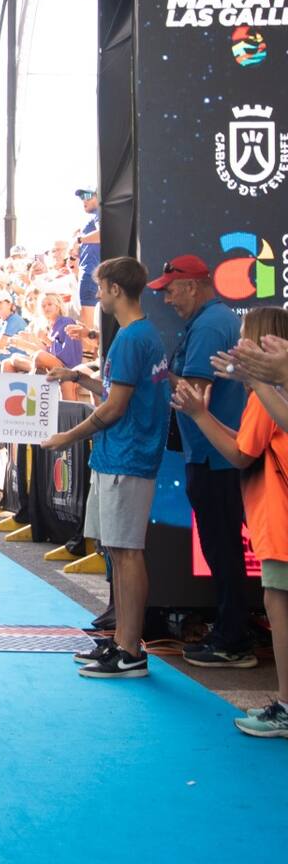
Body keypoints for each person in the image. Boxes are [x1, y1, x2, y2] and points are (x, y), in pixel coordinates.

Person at [42, 256, 170, 679]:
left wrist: (67, 437)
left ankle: (130, 649)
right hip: (120, 456)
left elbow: (115, 408)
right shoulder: (137, 337)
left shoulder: (134, 338)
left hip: (128, 457)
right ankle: (122, 642)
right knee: (119, 551)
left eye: (101, 287)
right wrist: (78, 376)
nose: (97, 295)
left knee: (127, 553)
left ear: (115, 289)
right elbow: (117, 391)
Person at [173, 306, 288, 737]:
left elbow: (241, 453)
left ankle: (285, 706)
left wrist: (200, 415)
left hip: (279, 524)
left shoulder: (265, 396)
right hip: (274, 522)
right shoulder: (266, 393)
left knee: (280, 610)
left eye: (244, 336)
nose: (236, 344)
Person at [150, 254, 253, 667]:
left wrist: (154, 374)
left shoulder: (211, 324)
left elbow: (195, 395)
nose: (168, 299)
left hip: (216, 456)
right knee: (222, 547)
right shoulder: (212, 321)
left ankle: (234, 639)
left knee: (223, 547)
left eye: (171, 290)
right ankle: (232, 633)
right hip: (213, 453)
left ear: (192, 286)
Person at [73, 187, 101, 329]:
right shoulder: (92, 216)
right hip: (89, 272)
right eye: (82, 197)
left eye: (89, 195)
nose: (84, 199)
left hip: (91, 273)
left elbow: (103, 234)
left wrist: (80, 240)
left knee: (87, 326)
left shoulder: (99, 212)